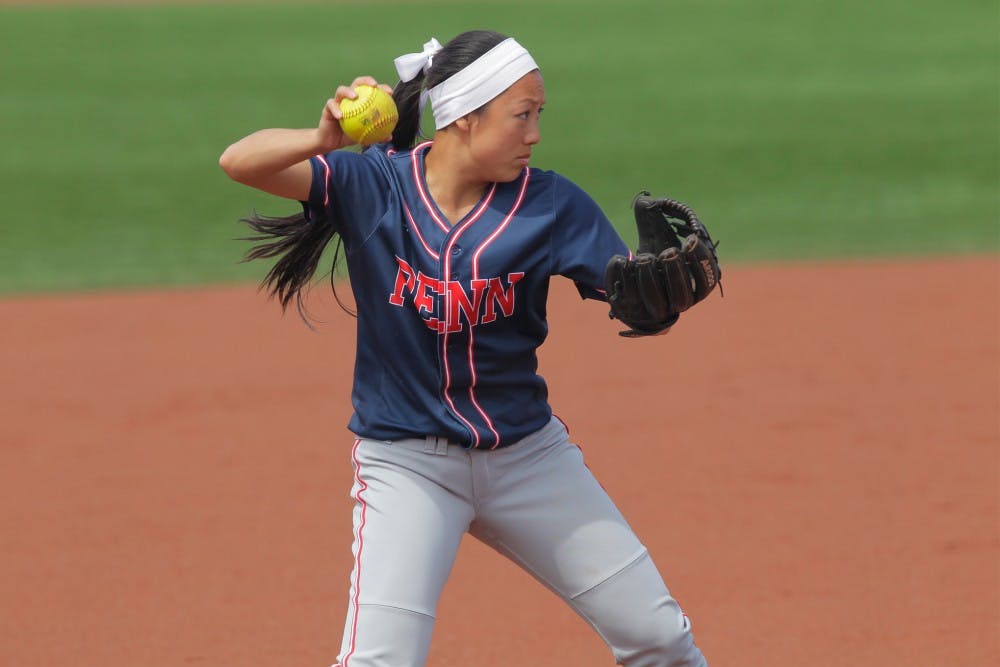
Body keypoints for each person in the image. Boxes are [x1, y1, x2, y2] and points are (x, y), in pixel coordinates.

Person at [219, 29, 708, 667]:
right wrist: (322, 141)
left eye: (539, 116)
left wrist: (659, 303)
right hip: (407, 467)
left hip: (529, 461)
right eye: (521, 116)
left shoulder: (551, 205)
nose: (535, 133)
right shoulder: (373, 185)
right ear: (465, 117)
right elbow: (239, 161)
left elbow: (633, 296)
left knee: (661, 638)